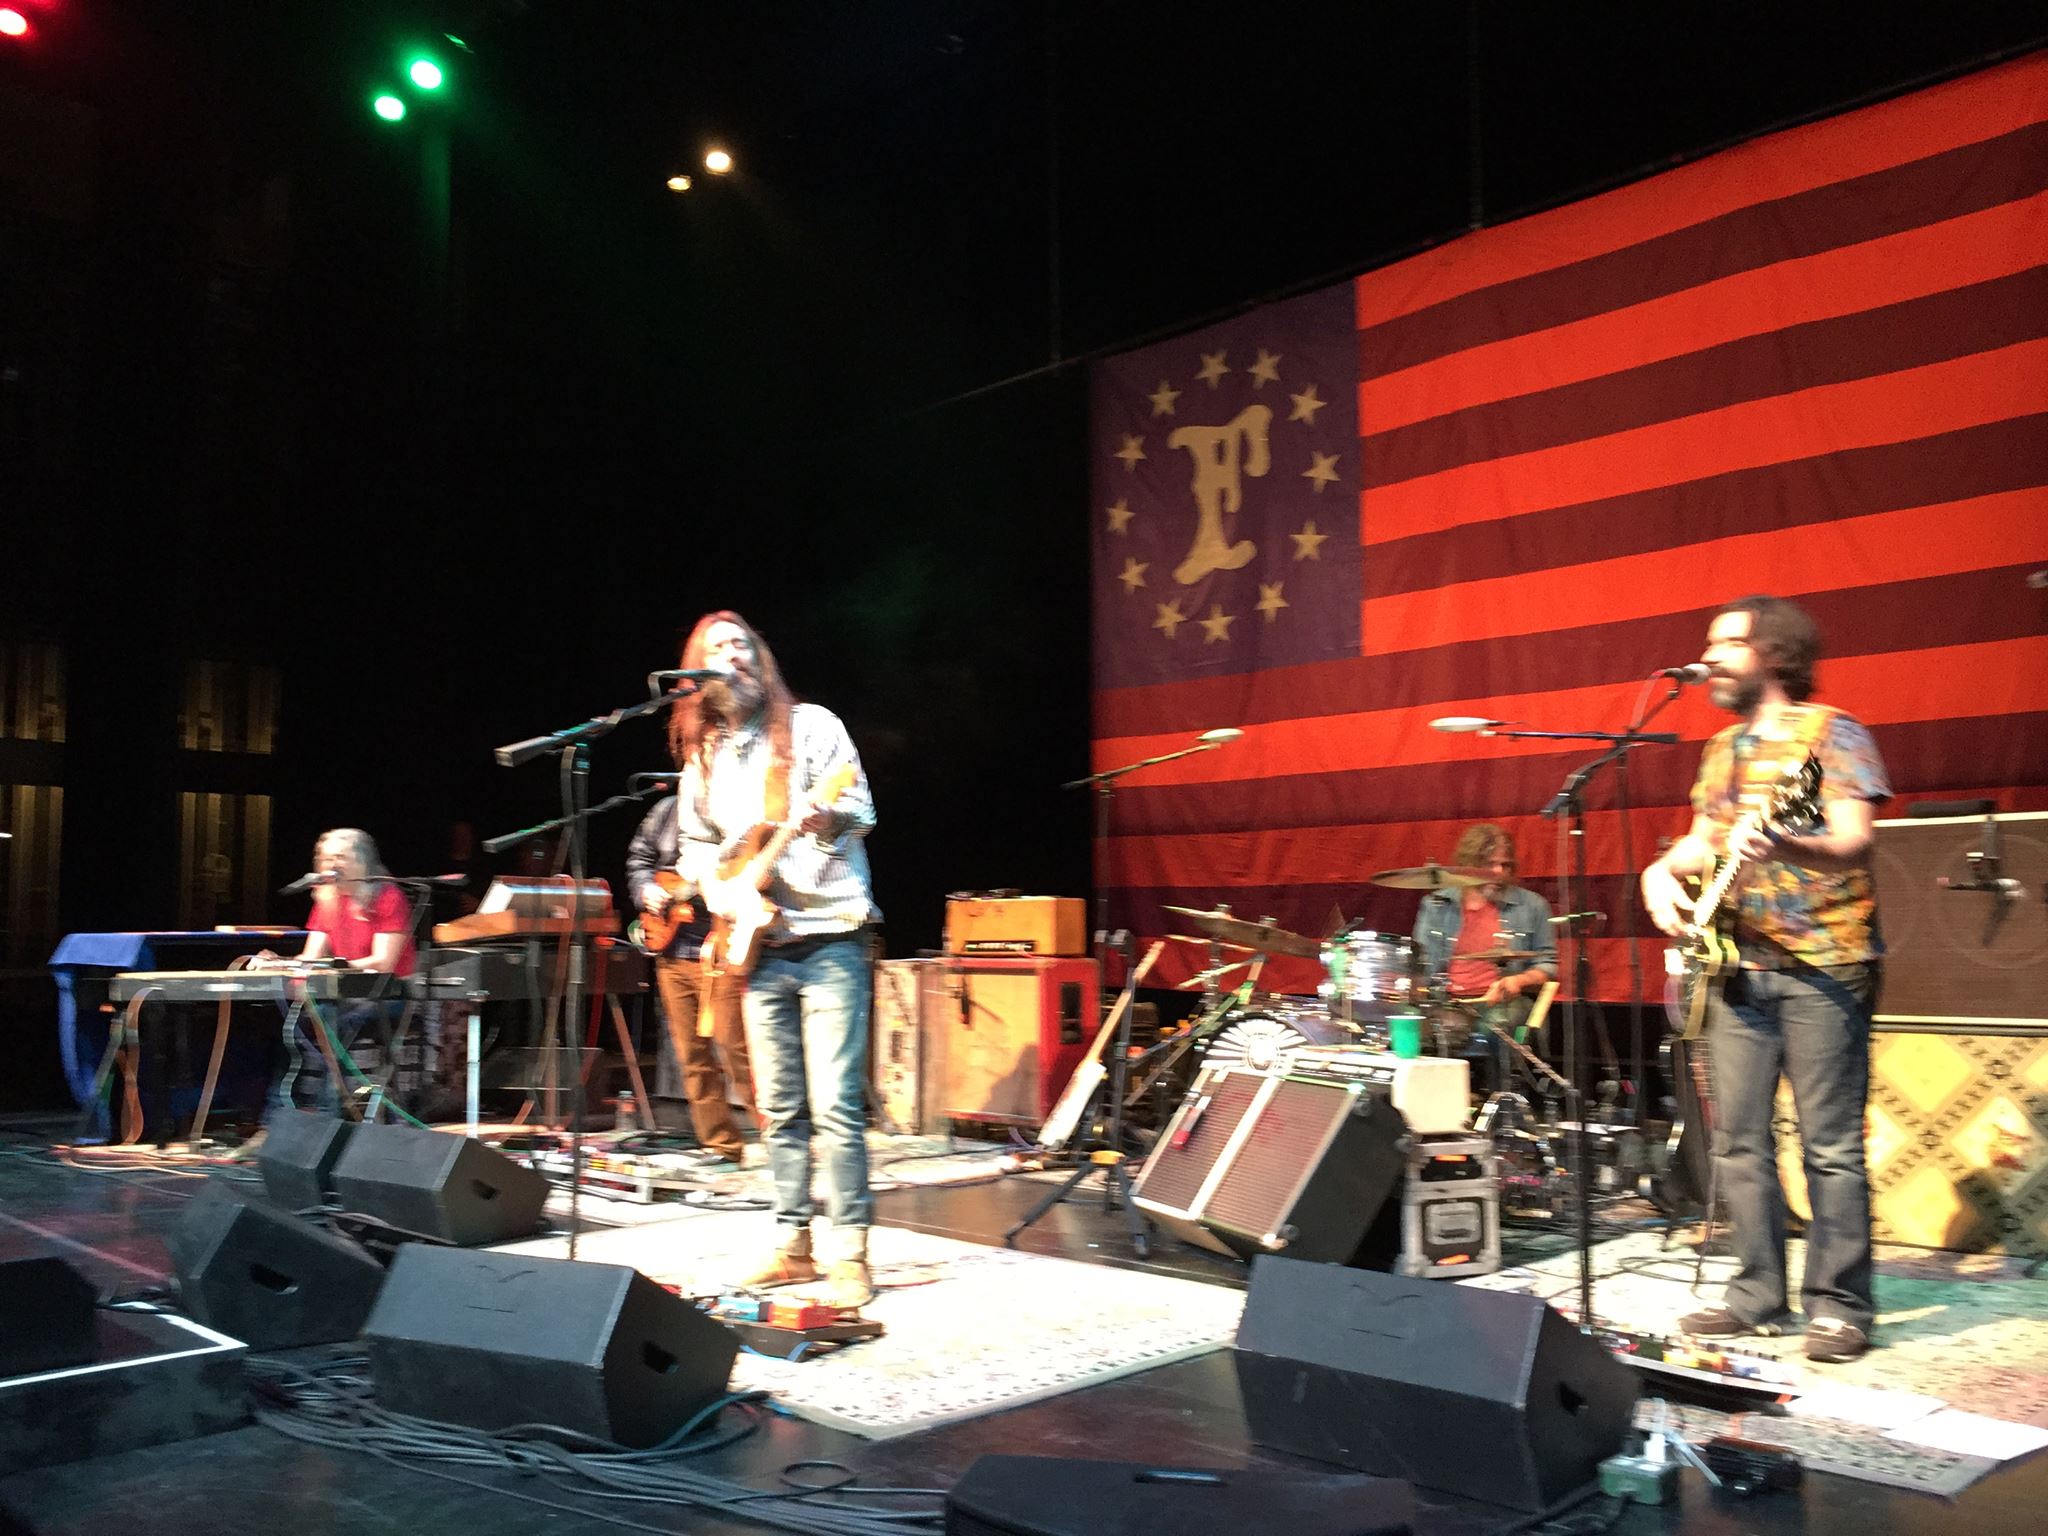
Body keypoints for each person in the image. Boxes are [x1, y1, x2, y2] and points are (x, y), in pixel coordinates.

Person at [1641, 596, 1888, 1364]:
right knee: (1738, 1143)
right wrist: (1658, 872)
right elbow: (1702, 841)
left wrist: (1783, 844)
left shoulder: (1832, 734)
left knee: (1830, 1146)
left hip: (1825, 964)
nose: (1709, 656)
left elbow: (1853, 840)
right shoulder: (1720, 750)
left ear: (1774, 653)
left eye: (1728, 643)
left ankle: (1839, 1307)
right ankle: (1757, 1295)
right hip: (1736, 965)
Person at [670, 611, 880, 1308]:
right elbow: (694, 846)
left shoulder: (813, 727)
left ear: (761, 659)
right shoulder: (704, 757)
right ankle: (793, 1244)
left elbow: (861, 807)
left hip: (830, 935)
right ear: (698, 673)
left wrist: (826, 818)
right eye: (718, 648)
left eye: (743, 645)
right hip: (757, 945)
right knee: (779, 1107)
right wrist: (719, 890)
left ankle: (850, 1251)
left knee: (836, 1105)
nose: (734, 655)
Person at [625, 792, 756, 1164]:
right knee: (692, 1057)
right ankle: (721, 1146)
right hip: (672, 951)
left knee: (739, 1054)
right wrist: (647, 890)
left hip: (723, 948)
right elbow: (639, 857)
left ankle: (783, 1143)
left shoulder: (740, 807)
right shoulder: (667, 810)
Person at [256, 828, 418, 1110]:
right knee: (288, 1027)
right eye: (326, 858)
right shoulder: (328, 900)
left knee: (330, 1020)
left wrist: (335, 967)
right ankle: (275, 1117)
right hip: (342, 994)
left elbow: (383, 963)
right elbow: (311, 957)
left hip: (389, 994)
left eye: (340, 857)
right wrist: (280, 962)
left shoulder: (387, 897)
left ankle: (330, 1114)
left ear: (363, 861)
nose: (331, 865)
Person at [1412, 824, 1557, 1088]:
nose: (1499, 872)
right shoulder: (1436, 905)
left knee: (1500, 1024)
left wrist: (1518, 981)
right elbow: (1420, 964)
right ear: (1469, 865)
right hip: (1447, 999)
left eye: (1505, 865)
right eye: (1490, 864)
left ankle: (1502, 1099)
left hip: (1501, 1001)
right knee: (1405, 1021)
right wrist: (1416, 991)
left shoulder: (1532, 906)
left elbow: (1548, 964)